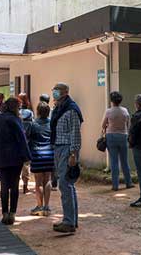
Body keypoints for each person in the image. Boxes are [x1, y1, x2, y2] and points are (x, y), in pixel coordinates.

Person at [0, 97, 31, 225]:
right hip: (15, 158)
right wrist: (27, 157)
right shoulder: (15, 120)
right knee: (14, 185)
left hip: (0, 157)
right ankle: (12, 213)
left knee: (4, 185)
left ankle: (4, 213)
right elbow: (22, 139)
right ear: (15, 107)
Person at [50, 82, 83, 233]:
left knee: (65, 184)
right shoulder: (58, 108)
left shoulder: (71, 110)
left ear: (65, 92)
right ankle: (71, 220)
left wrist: (73, 154)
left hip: (67, 149)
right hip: (58, 147)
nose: (54, 93)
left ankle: (69, 222)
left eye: (57, 90)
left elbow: (75, 133)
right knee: (67, 184)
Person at [25, 102, 54, 216]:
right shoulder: (52, 123)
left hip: (37, 155)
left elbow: (27, 138)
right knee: (48, 180)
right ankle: (47, 207)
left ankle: (39, 206)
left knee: (38, 182)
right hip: (49, 154)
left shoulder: (33, 124)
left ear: (37, 112)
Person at [102, 91, 134, 191]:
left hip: (111, 136)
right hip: (123, 136)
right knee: (124, 161)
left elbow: (103, 125)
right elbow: (128, 124)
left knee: (114, 161)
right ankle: (128, 182)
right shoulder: (125, 111)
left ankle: (115, 185)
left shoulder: (109, 111)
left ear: (112, 100)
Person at [18, 93, 33, 194]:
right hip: (27, 141)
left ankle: (14, 183)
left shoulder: (17, 113)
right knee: (26, 164)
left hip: (17, 142)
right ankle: (25, 185)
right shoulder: (30, 113)